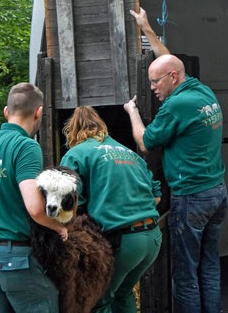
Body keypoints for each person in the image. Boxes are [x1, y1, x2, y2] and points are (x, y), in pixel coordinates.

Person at [124, 7, 228, 313]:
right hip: (217, 194)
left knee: (185, 275)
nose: (153, 88)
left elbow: (145, 142)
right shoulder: (201, 91)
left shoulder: (176, 106)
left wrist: (132, 111)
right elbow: (169, 59)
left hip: (192, 198)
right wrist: (146, 27)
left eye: (156, 82)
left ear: (173, 78)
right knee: (208, 267)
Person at [0, 83, 68, 312]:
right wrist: (59, 227)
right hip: (12, 257)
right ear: (38, 113)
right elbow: (35, 208)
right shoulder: (25, 147)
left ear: (6, 111)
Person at [59, 106, 162, 313]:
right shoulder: (128, 152)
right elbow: (157, 197)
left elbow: (69, 205)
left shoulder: (76, 154)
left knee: (98, 300)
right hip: (152, 238)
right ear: (101, 126)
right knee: (123, 294)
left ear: (73, 131)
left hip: (122, 241)